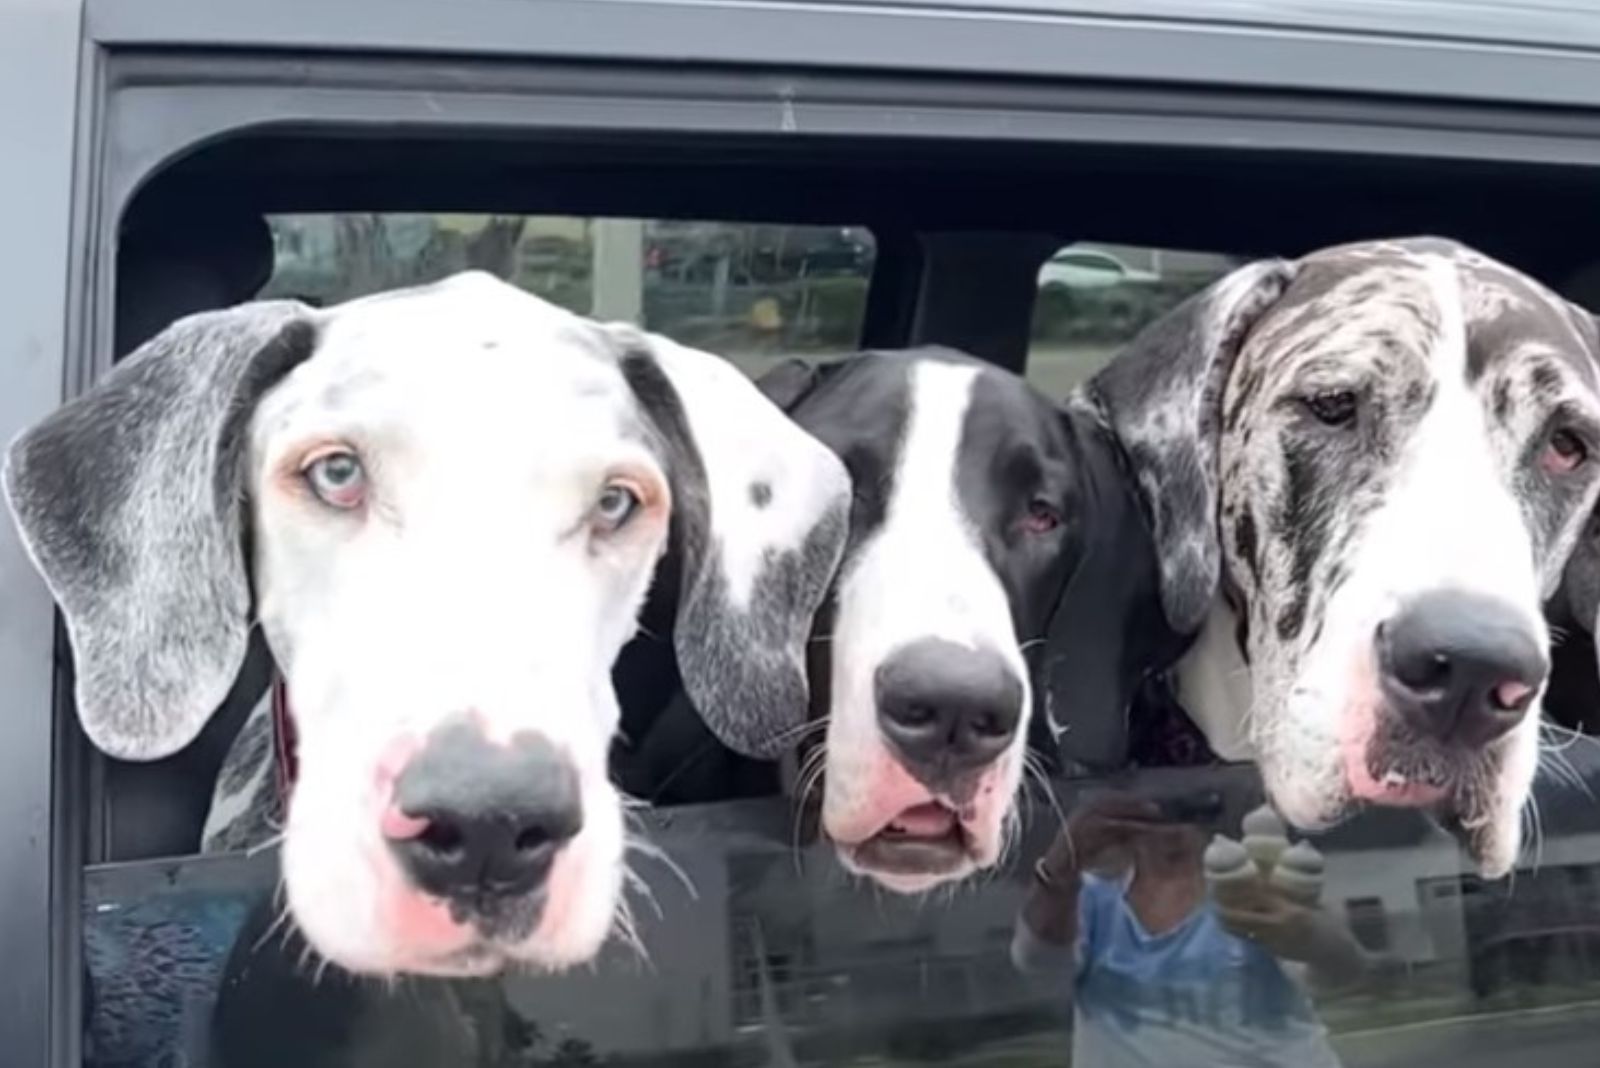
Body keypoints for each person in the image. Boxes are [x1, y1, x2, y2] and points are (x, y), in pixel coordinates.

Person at [1011, 794, 1368, 1067]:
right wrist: (1060, 865)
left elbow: (1341, 968)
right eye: (1151, 808)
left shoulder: (1249, 879)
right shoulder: (1088, 898)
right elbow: (1037, 962)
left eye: (1182, 806)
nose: (1168, 825)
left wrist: (1309, 936)